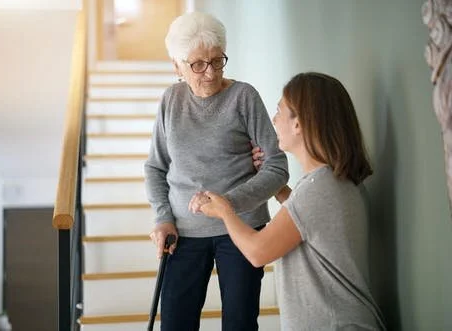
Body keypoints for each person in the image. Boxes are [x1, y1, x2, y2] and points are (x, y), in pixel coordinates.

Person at [192, 72, 387, 330]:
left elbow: (257, 251)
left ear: (299, 124)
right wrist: (278, 188)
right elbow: (306, 222)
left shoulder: (318, 189)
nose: (274, 120)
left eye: (279, 111)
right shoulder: (332, 182)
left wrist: (225, 212)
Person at [144, 11, 289, 331]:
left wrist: (227, 205)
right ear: (177, 67)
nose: (209, 73)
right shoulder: (171, 100)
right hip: (182, 233)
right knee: (175, 324)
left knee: (240, 323)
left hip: (241, 228)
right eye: (197, 64)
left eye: (217, 61)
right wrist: (162, 217)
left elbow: (277, 167)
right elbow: (156, 167)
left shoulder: (244, 97)